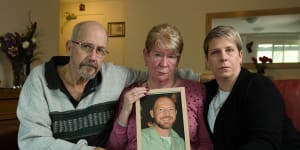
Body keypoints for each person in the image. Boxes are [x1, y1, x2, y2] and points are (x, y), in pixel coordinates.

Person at [16, 21, 201, 150]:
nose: (93, 57)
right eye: (86, 47)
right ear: (69, 47)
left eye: (101, 50)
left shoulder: (114, 75)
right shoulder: (39, 81)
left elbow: (158, 73)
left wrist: (213, 77)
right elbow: (32, 142)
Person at [106, 23, 213, 150]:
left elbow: (206, 145)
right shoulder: (129, 94)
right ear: (146, 55)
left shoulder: (196, 92)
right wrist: (125, 111)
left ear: (178, 60)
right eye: (157, 55)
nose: (164, 63)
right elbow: (114, 147)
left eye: (171, 56)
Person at [203, 25, 300, 150]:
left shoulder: (260, 87)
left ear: (240, 56)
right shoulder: (206, 91)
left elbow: (266, 143)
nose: (223, 57)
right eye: (215, 52)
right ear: (207, 61)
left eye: (229, 50)